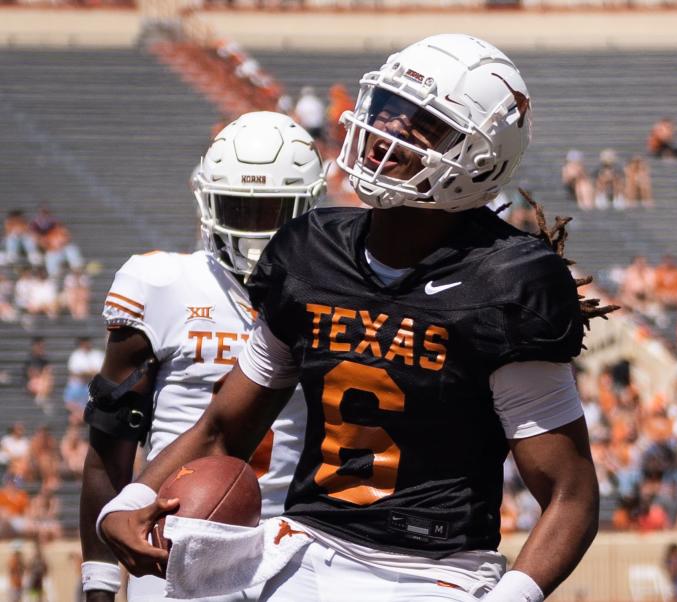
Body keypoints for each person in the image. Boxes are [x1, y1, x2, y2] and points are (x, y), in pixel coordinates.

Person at [99, 34, 602, 602]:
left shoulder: (506, 284)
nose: (387, 130)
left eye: (420, 123)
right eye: (386, 108)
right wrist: (132, 501)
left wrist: (512, 596)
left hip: (436, 572)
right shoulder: (310, 252)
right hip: (307, 544)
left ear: (479, 157)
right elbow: (222, 428)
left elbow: (570, 492)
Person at [79, 111, 325, 602]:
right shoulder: (161, 286)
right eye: (240, 209)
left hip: (295, 544)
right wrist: (100, 583)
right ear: (208, 201)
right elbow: (110, 448)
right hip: (171, 534)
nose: (255, 233)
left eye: (272, 212)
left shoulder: (334, 290)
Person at [64, 337, 105, 422]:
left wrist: (85, 373)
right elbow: (75, 373)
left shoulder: (97, 355)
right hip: (79, 386)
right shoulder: (76, 355)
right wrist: (90, 373)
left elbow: (100, 372)